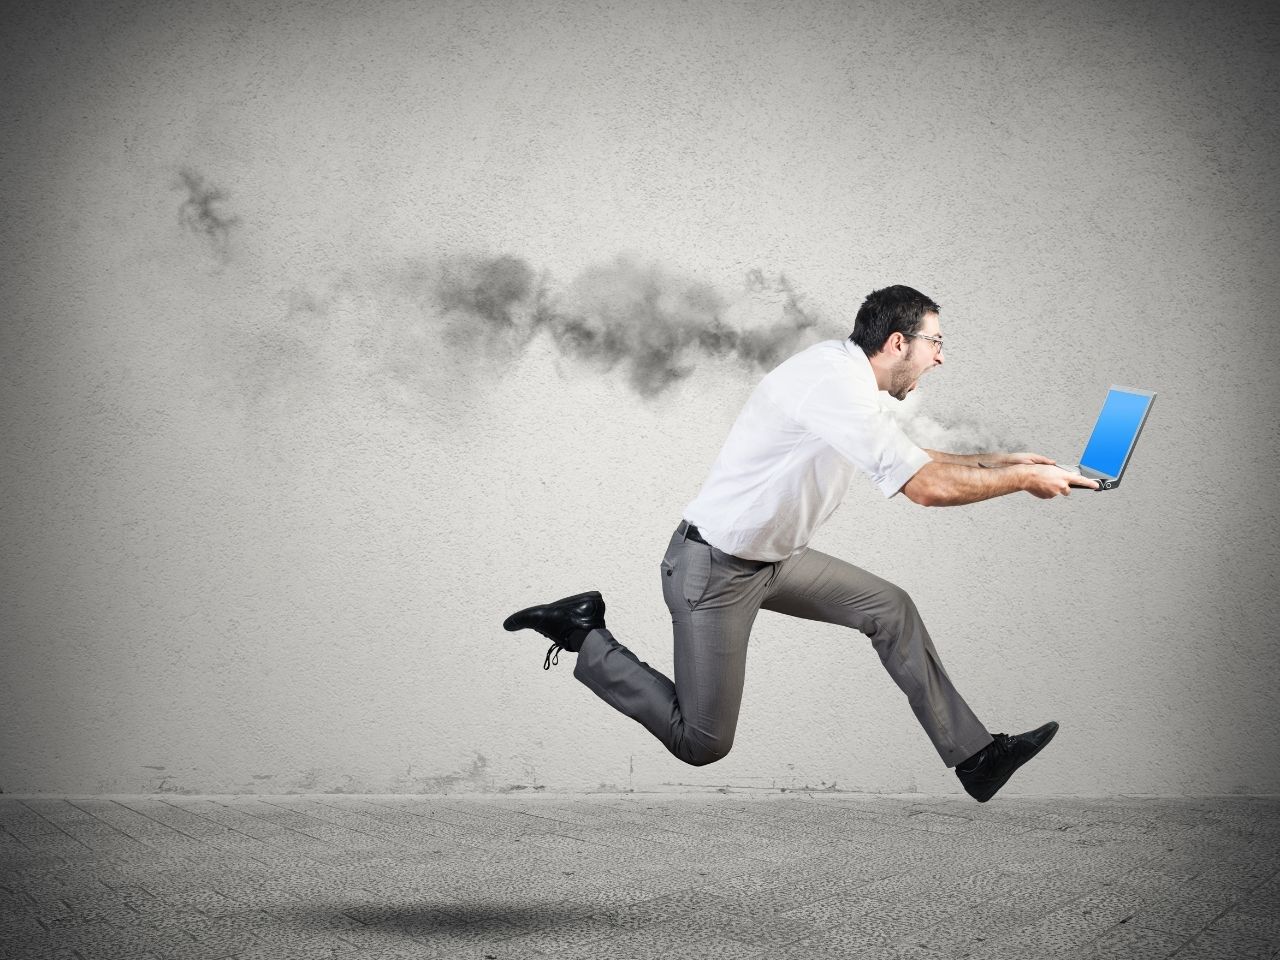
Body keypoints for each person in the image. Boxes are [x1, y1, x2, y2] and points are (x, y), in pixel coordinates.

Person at [504, 285, 1098, 802]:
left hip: (773, 562)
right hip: (711, 569)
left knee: (889, 607)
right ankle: (582, 631)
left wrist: (1005, 461)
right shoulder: (834, 385)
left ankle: (976, 758)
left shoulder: (850, 380)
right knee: (702, 742)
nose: (940, 358)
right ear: (897, 343)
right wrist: (1022, 481)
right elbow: (923, 487)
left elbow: (915, 458)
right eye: (935, 343)